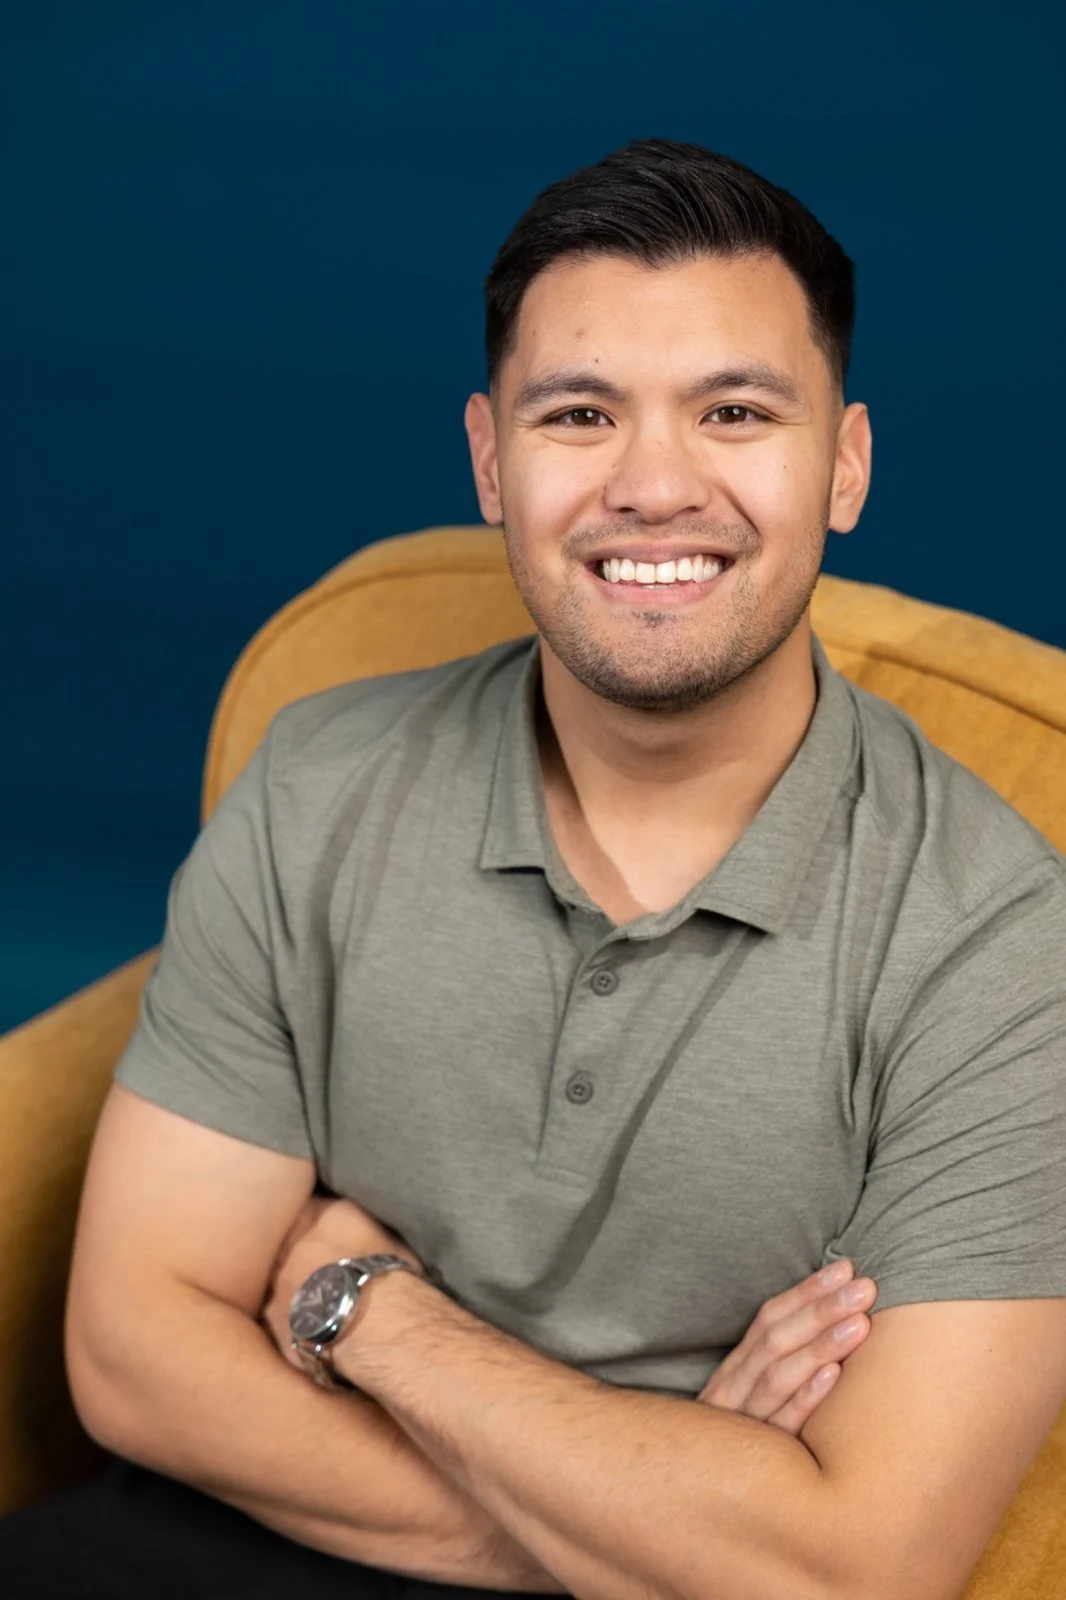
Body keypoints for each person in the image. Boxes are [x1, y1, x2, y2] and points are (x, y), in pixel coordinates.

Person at [3, 137, 1064, 1600]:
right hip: (233, 1544)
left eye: (735, 410)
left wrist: (369, 1313)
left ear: (847, 465)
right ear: (492, 462)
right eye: (579, 412)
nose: (651, 484)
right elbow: (130, 1354)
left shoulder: (999, 939)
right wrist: (649, 1533)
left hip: (344, 1433)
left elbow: (853, 1572)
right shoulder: (321, 780)